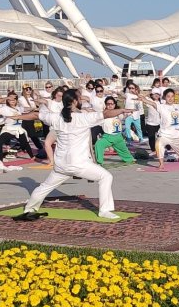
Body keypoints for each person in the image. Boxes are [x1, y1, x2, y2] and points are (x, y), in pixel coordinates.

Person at [19, 89, 132, 220]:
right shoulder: (83, 118)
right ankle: (104, 210)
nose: (81, 99)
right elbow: (106, 114)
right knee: (106, 177)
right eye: (79, 97)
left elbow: (34, 115)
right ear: (74, 101)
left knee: (44, 187)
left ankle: (29, 208)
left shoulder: (56, 117)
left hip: (61, 165)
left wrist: (15, 117)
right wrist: (122, 110)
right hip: (79, 164)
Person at [140, 88, 179, 171]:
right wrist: (144, 100)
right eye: (168, 96)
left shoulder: (177, 106)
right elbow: (152, 103)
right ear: (164, 97)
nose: (170, 98)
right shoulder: (161, 107)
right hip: (164, 134)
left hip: (176, 135)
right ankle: (161, 164)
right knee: (158, 144)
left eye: (172, 96)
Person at [94, 97, 135, 165]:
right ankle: (99, 162)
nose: (110, 105)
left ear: (114, 104)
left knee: (125, 152)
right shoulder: (103, 114)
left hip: (118, 137)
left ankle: (129, 159)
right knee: (99, 145)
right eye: (108, 104)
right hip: (107, 137)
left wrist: (130, 112)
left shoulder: (119, 113)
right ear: (105, 105)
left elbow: (124, 116)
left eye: (112, 104)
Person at [0, 95, 36, 161]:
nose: (13, 101)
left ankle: (32, 156)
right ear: (8, 101)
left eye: (14, 99)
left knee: (25, 143)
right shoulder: (5, 108)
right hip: (9, 129)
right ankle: (0, 159)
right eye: (10, 100)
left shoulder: (19, 108)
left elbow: (30, 108)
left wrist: (34, 105)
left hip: (18, 129)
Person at [18, 86, 44, 151]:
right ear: (24, 90)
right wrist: (33, 108)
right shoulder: (21, 98)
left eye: (30, 89)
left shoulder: (32, 98)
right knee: (24, 133)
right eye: (27, 89)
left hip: (31, 117)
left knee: (31, 134)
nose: (29, 91)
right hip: (25, 117)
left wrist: (38, 96)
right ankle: (23, 147)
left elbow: (39, 106)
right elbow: (24, 107)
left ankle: (39, 147)